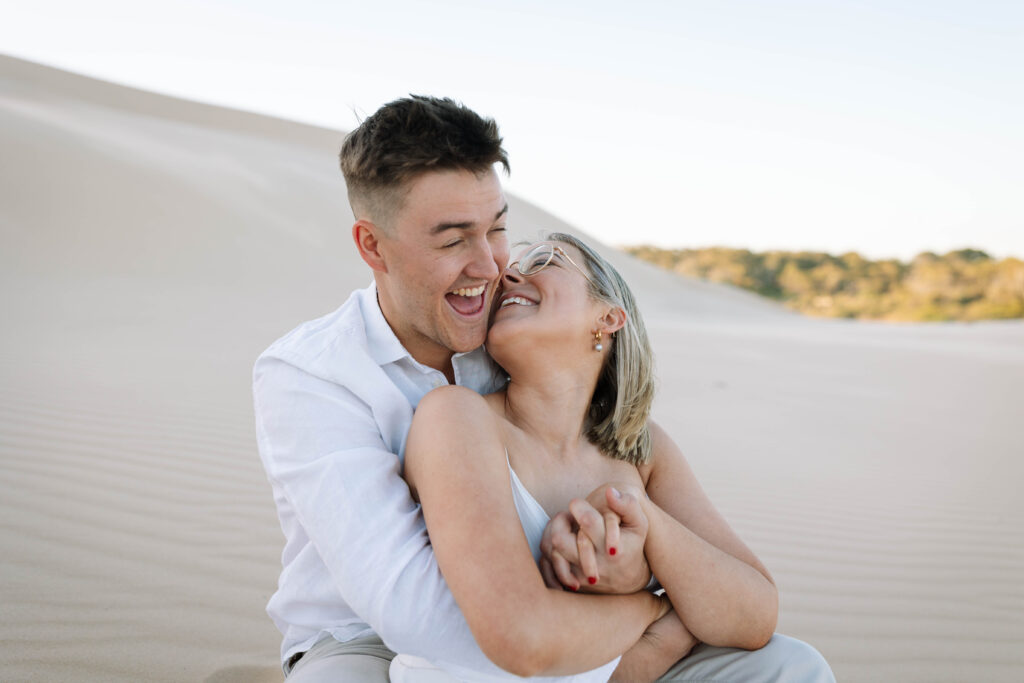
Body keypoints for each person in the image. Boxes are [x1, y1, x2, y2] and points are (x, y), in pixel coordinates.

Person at [253, 95, 835, 681]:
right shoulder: (312, 376)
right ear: (372, 246)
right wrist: (651, 616)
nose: (494, 268)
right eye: (454, 240)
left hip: (570, 623)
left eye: (498, 230)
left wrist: (640, 567)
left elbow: (750, 607)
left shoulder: (513, 336)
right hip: (371, 637)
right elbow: (420, 617)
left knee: (789, 666)